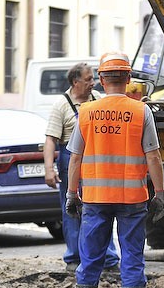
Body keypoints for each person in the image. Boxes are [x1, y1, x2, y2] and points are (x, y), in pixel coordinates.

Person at [65, 52, 164, 288]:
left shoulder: (85, 112)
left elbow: (75, 159)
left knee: (90, 261)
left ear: (100, 79)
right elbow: (154, 156)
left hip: (95, 198)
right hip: (132, 198)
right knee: (132, 260)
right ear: (129, 79)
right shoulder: (140, 112)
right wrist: (159, 193)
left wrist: (72, 194)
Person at [43, 63, 119, 273]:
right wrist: (49, 168)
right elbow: (51, 139)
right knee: (73, 208)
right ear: (75, 82)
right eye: (88, 79)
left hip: (95, 159)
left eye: (93, 78)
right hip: (70, 159)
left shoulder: (97, 99)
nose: (92, 83)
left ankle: (108, 258)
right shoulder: (62, 105)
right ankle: (74, 258)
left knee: (101, 206)